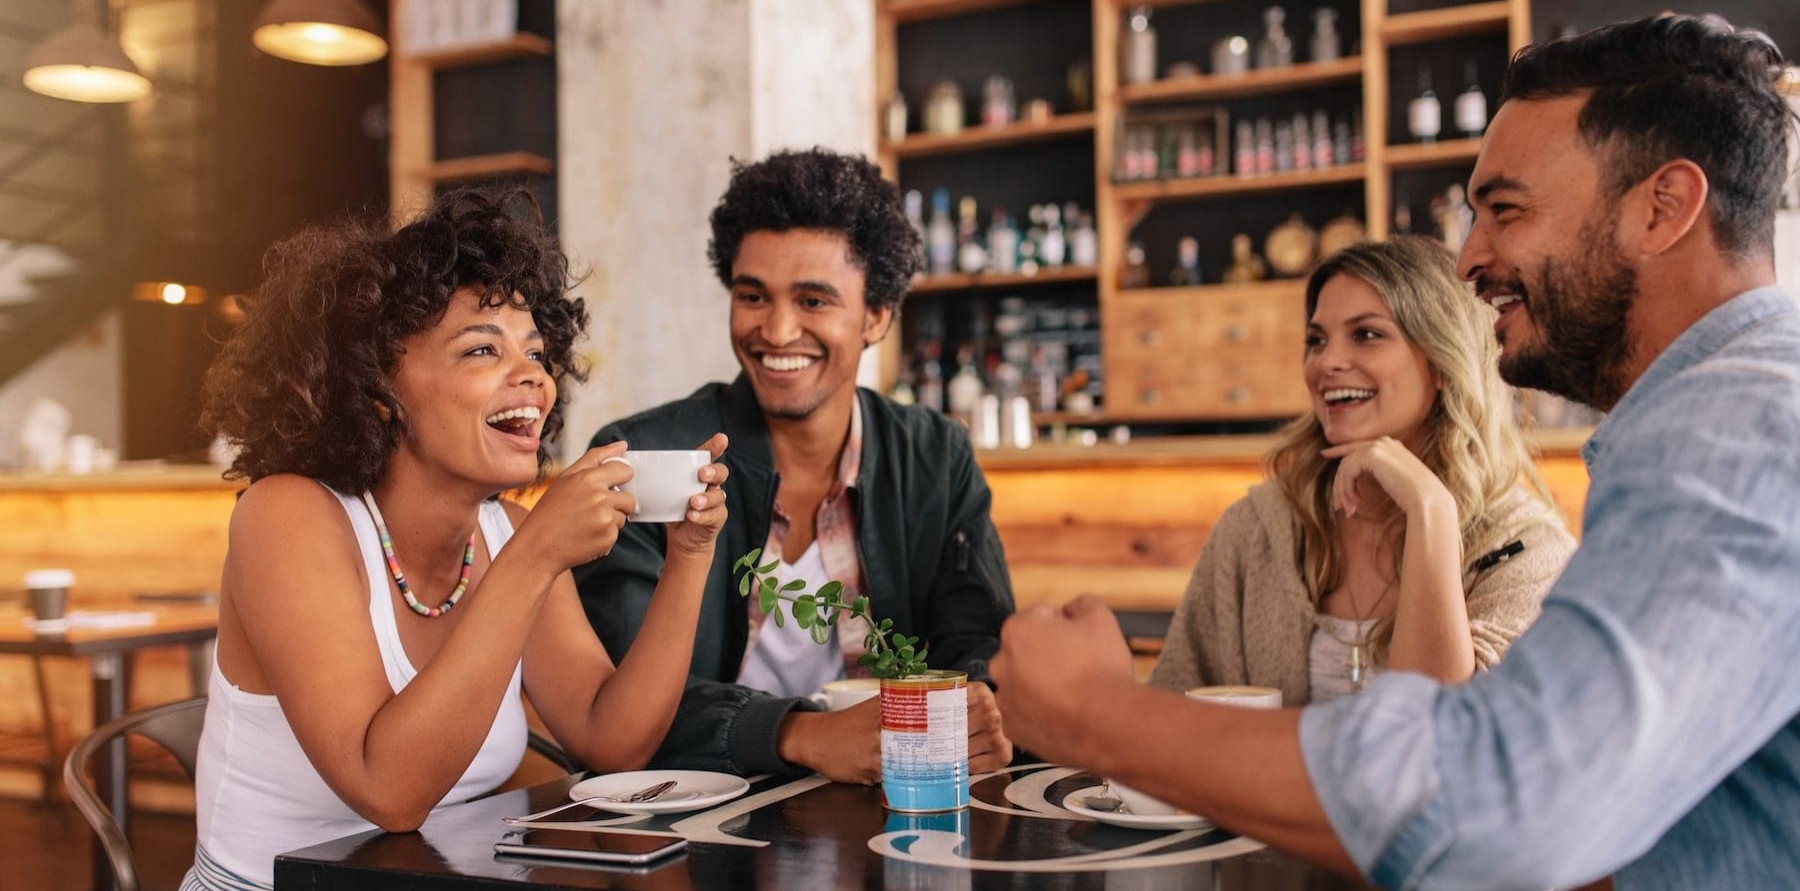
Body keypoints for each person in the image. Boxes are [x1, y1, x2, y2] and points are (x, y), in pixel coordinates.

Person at [992, 15, 1800, 889]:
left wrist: (1101, 716)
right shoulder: (1715, 417)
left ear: (1663, 207)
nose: (1469, 259)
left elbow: (1494, 807)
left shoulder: (1738, 427)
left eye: (1506, 210)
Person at [184, 189, 729, 890]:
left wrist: (689, 556)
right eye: (482, 349)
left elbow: (612, 738)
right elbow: (390, 790)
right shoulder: (286, 517)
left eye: (536, 352)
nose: (533, 374)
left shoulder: (510, 532)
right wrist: (534, 558)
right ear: (381, 385)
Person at [575, 148, 1014, 784]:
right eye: (753, 295)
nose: (777, 331)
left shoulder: (936, 458)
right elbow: (618, 701)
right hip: (690, 820)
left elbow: (979, 652)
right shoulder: (646, 458)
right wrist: (800, 734)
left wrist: (974, 721)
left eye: (813, 301)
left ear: (877, 315)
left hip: (894, 808)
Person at [1149, 237, 1573, 704]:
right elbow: (1167, 715)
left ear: (1441, 361)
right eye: (1316, 340)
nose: (1326, 363)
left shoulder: (1528, 554)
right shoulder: (1255, 532)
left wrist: (1429, 510)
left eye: (1367, 334)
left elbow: (1437, 736)